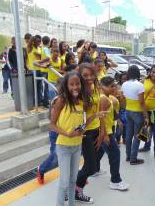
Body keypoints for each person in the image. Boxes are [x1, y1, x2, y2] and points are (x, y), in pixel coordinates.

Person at [51, 71, 103, 206]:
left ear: (81, 84)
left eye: (77, 84)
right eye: (71, 84)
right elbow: (51, 125)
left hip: (77, 146)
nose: (75, 87)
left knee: (73, 180)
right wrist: (67, 134)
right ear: (66, 86)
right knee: (64, 182)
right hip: (63, 146)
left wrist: (96, 115)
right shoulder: (61, 100)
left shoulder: (83, 102)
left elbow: (83, 124)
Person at [75, 63, 105, 204]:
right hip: (85, 133)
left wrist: (102, 132)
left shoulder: (95, 88)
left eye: (91, 74)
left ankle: (76, 185)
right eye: (85, 75)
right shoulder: (78, 93)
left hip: (95, 130)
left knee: (92, 163)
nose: (89, 78)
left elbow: (100, 112)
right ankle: (76, 190)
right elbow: (79, 118)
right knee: (91, 167)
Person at [95, 76, 129, 190]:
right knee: (115, 154)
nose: (114, 88)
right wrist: (104, 135)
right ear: (102, 87)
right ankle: (115, 181)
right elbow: (101, 118)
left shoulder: (109, 97)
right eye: (111, 86)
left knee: (99, 152)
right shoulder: (103, 98)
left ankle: (94, 169)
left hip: (108, 129)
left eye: (115, 85)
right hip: (106, 131)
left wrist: (120, 98)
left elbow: (116, 108)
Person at [37, 78, 64, 184]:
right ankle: (41, 169)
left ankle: (74, 177)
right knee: (55, 156)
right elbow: (53, 120)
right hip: (56, 132)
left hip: (66, 131)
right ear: (57, 87)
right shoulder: (57, 100)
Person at [122, 65, 149, 165]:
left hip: (128, 111)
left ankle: (128, 156)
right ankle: (133, 159)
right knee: (137, 136)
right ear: (138, 73)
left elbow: (124, 98)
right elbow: (142, 102)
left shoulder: (124, 84)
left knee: (128, 136)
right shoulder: (139, 85)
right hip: (137, 113)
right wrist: (146, 116)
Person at [140, 64, 155, 159]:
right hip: (147, 111)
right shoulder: (144, 81)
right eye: (153, 72)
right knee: (146, 129)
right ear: (150, 72)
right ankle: (146, 147)